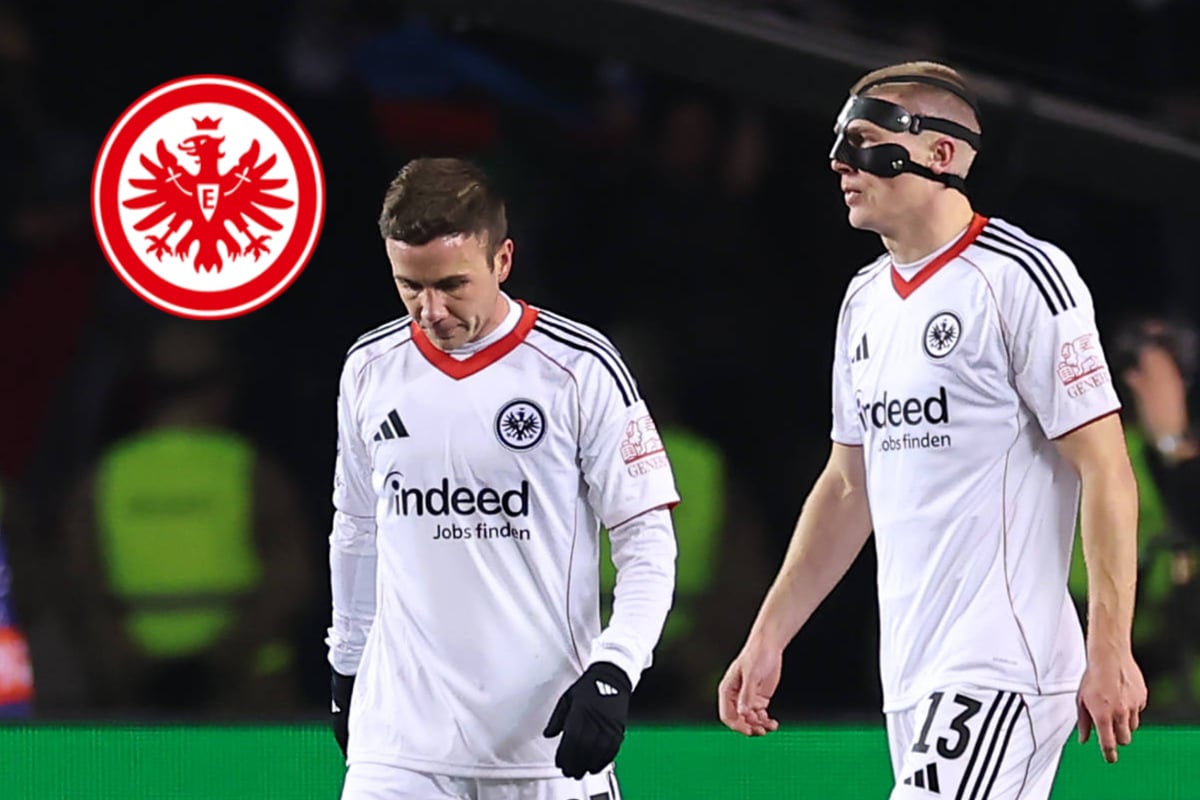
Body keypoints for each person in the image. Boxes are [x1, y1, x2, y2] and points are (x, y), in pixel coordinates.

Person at [718, 61, 1147, 799]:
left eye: (865, 142)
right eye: (840, 143)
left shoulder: (1022, 276)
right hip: (912, 671)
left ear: (941, 153)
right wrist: (768, 636)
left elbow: (1105, 467)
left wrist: (1111, 646)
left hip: (1002, 663)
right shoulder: (864, 301)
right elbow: (848, 487)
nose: (841, 162)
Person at [326, 157, 679, 800]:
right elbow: (356, 530)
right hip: (399, 747)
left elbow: (647, 540)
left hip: (542, 747)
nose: (431, 310)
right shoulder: (370, 369)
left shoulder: (579, 368)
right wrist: (346, 664)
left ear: (502, 260)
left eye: (452, 285)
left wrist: (616, 667)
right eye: (410, 287)